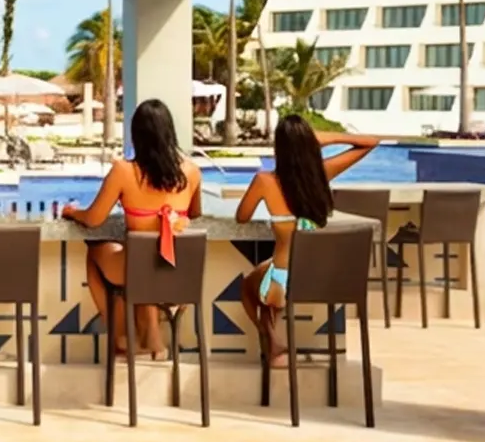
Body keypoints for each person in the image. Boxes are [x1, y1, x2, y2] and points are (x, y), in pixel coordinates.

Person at [61, 99, 202, 361]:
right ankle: (151, 338)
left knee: (96, 255)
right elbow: (195, 213)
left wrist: (71, 212)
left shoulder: (124, 172)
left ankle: (123, 339)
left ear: (136, 135)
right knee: (144, 265)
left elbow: (93, 219)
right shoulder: (192, 172)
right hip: (178, 273)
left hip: (138, 269)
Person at [235, 117, 381, 368]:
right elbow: (371, 143)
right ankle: (276, 345)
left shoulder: (265, 181)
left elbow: (242, 217)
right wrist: (330, 138)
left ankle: (272, 340)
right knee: (271, 276)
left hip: (281, 284)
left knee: (250, 284)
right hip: (319, 279)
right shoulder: (324, 173)